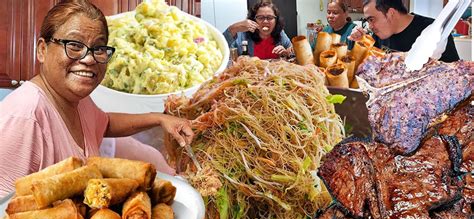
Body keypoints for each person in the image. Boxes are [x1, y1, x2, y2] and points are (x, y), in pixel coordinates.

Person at [0, 0, 194, 197]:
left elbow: (104, 123)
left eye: (99, 49)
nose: (89, 58)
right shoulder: (23, 118)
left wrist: (159, 119)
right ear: (42, 50)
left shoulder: (78, 100)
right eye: (74, 45)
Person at [349, 0, 459, 62]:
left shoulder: (434, 30)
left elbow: (455, 74)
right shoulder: (378, 35)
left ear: (391, 13)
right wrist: (360, 44)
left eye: (372, 19)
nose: (370, 26)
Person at [223, 1, 293, 59]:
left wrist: (286, 53)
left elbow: (292, 52)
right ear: (253, 20)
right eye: (260, 17)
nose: (265, 21)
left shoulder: (280, 33)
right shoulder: (243, 34)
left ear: (276, 20)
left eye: (270, 17)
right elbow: (222, 48)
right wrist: (233, 28)